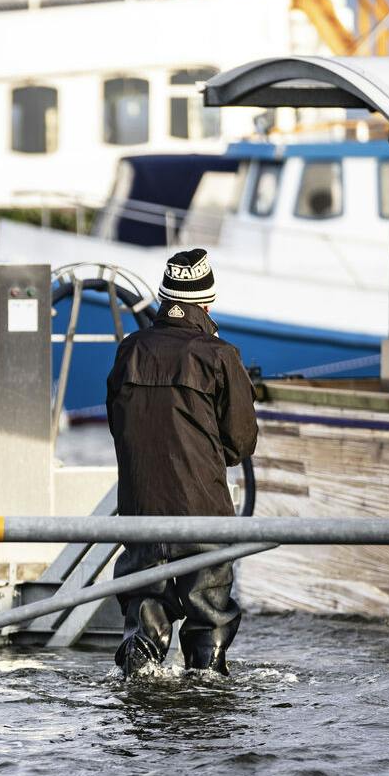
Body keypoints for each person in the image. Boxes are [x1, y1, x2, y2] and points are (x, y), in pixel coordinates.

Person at [105, 248, 258, 676]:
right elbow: (242, 441)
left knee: (144, 608)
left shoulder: (128, 351)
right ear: (206, 303)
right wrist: (207, 460)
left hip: (141, 509)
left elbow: (118, 426)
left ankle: (142, 670)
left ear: (163, 297)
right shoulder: (219, 355)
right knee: (208, 613)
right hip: (203, 509)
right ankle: (205, 683)